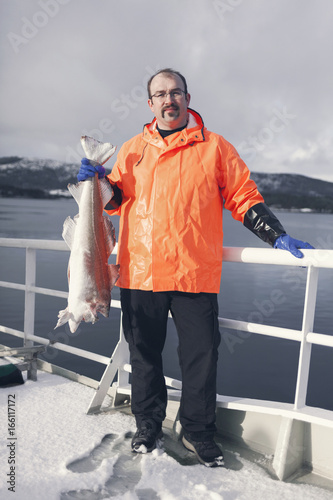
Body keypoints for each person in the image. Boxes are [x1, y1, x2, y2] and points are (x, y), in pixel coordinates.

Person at [77, 68, 313, 467]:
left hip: (193, 274)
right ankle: (148, 425)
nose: (169, 100)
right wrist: (96, 183)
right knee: (144, 355)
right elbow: (114, 201)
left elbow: (243, 197)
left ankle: (198, 431)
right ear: (150, 103)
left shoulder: (215, 148)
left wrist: (276, 234)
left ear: (187, 98)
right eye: (160, 94)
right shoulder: (133, 149)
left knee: (201, 357)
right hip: (141, 273)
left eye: (176, 92)